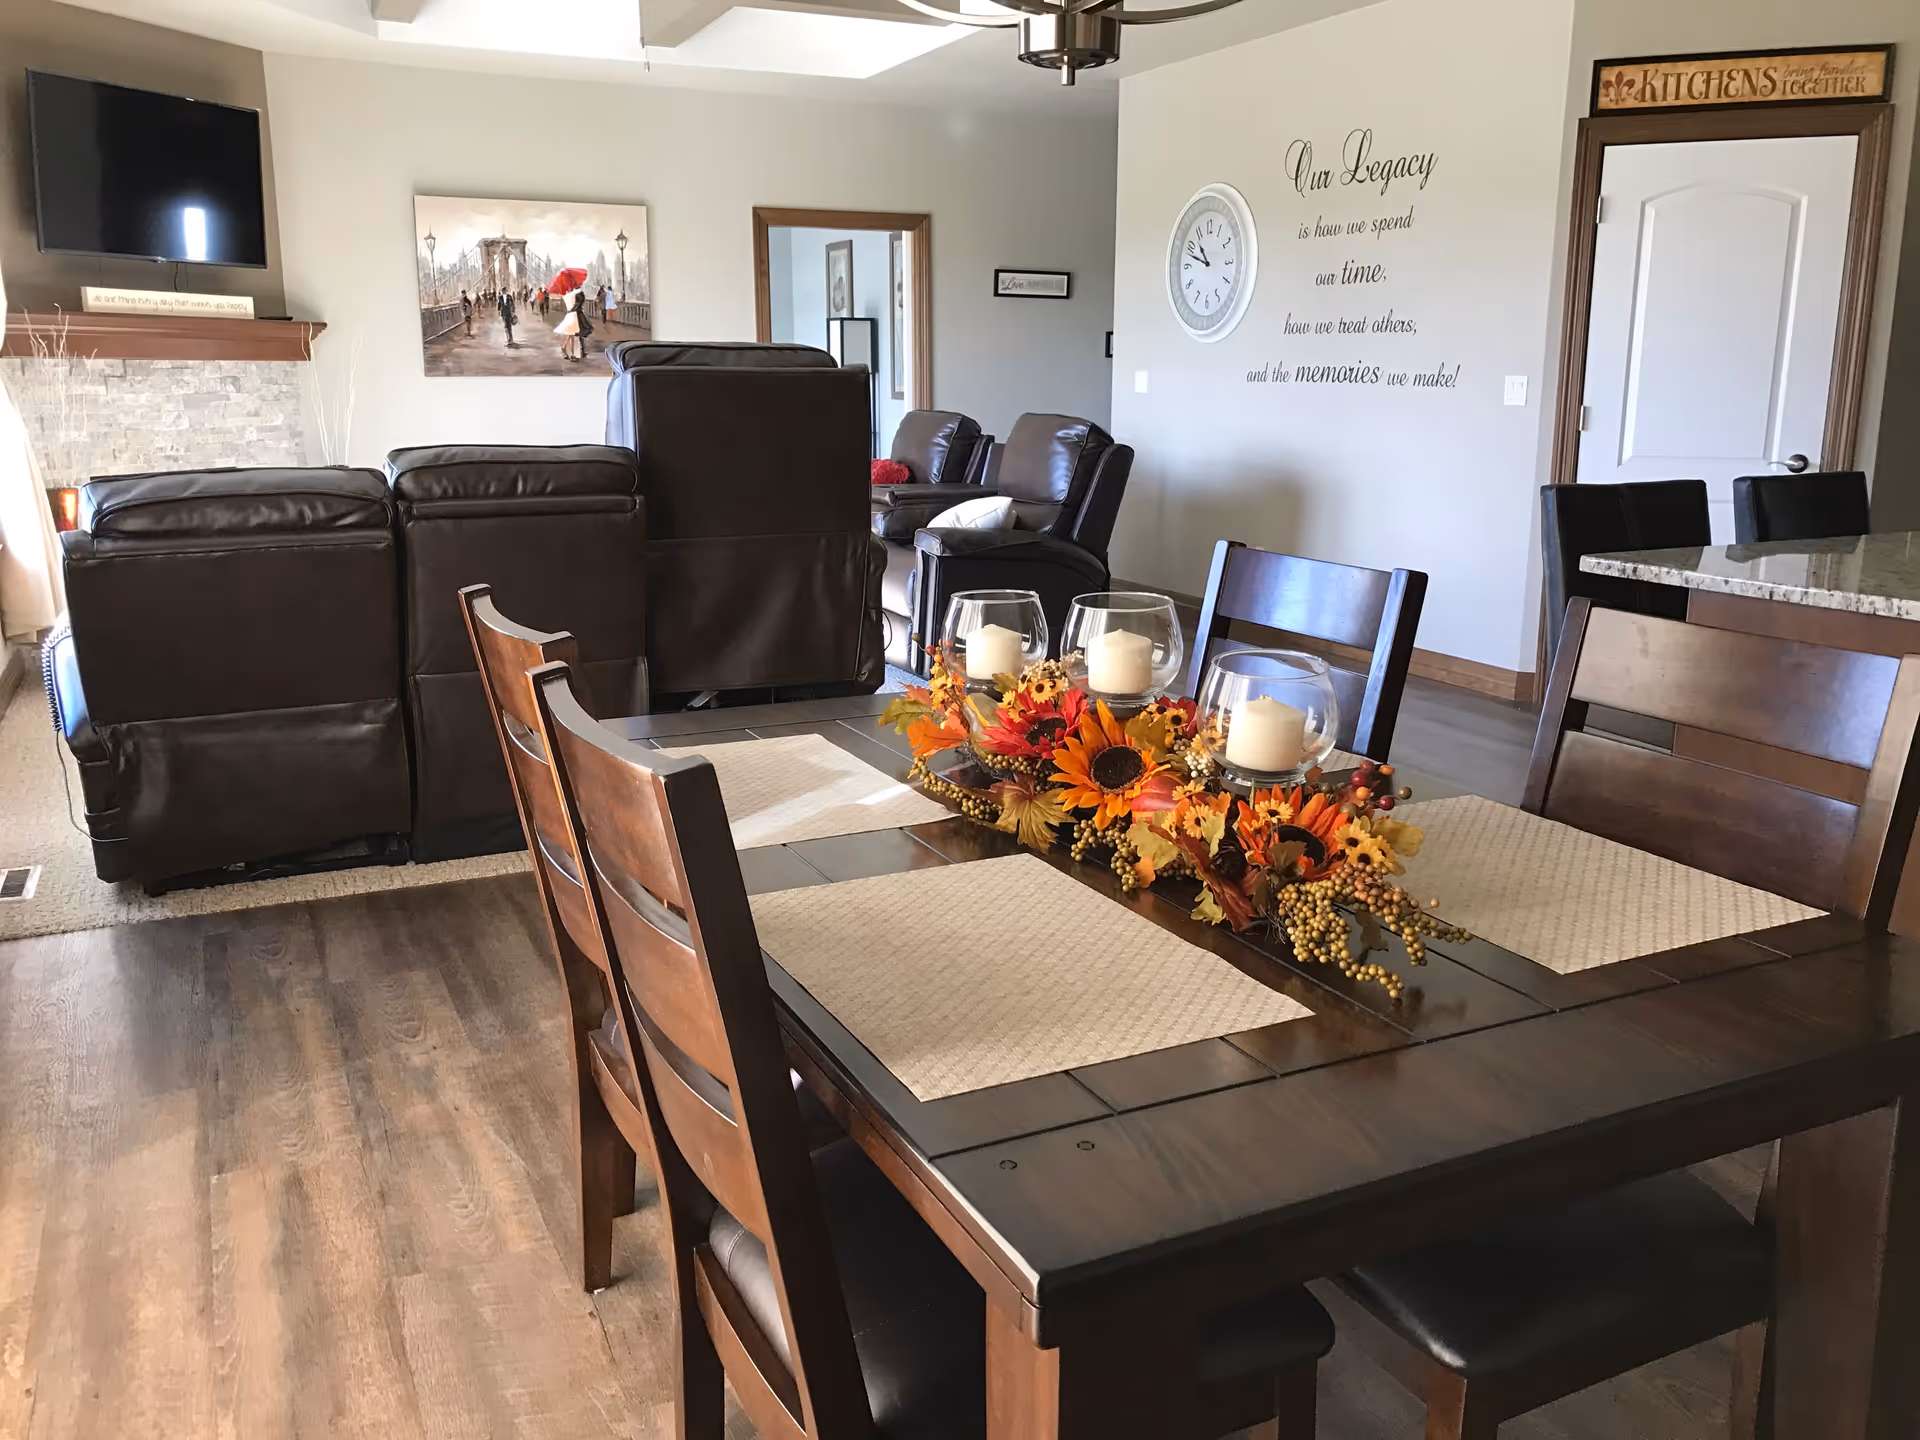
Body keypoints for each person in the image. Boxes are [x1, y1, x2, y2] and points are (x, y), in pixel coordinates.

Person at [553, 287, 580, 361]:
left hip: (569, 315)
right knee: (572, 335)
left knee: (571, 335)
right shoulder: (572, 295)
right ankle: (571, 353)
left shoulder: (565, 296)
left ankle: (567, 350)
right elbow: (575, 305)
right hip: (573, 315)